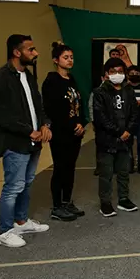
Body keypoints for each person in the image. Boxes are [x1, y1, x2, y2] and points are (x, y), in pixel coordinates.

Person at [0, 34, 51, 248]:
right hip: (15, 143)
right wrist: (28, 131)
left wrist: (44, 125)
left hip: (34, 141)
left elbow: (38, 105)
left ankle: (21, 221)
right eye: (31, 49)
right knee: (13, 186)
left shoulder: (29, 76)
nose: (36, 53)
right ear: (17, 52)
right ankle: (4, 231)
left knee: (27, 182)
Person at [42, 42, 87, 222]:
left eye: (71, 57)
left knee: (70, 168)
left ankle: (67, 202)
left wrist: (82, 123)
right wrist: (70, 125)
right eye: (65, 58)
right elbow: (54, 109)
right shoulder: (51, 81)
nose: (70, 61)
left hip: (76, 132)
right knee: (60, 168)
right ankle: (57, 206)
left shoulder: (72, 79)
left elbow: (78, 104)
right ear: (56, 60)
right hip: (61, 133)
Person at [93, 58, 139, 217]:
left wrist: (128, 130)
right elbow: (101, 117)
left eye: (120, 71)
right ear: (106, 74)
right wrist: (118, 132)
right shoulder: (100, 92)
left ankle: (124, 199)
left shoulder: (128, 90)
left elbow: (134, 113)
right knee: (106, 173)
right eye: (113, 72)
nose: (117, 75)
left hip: (125, 140)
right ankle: (105, 203)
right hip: (107, 140)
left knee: (124, 171)